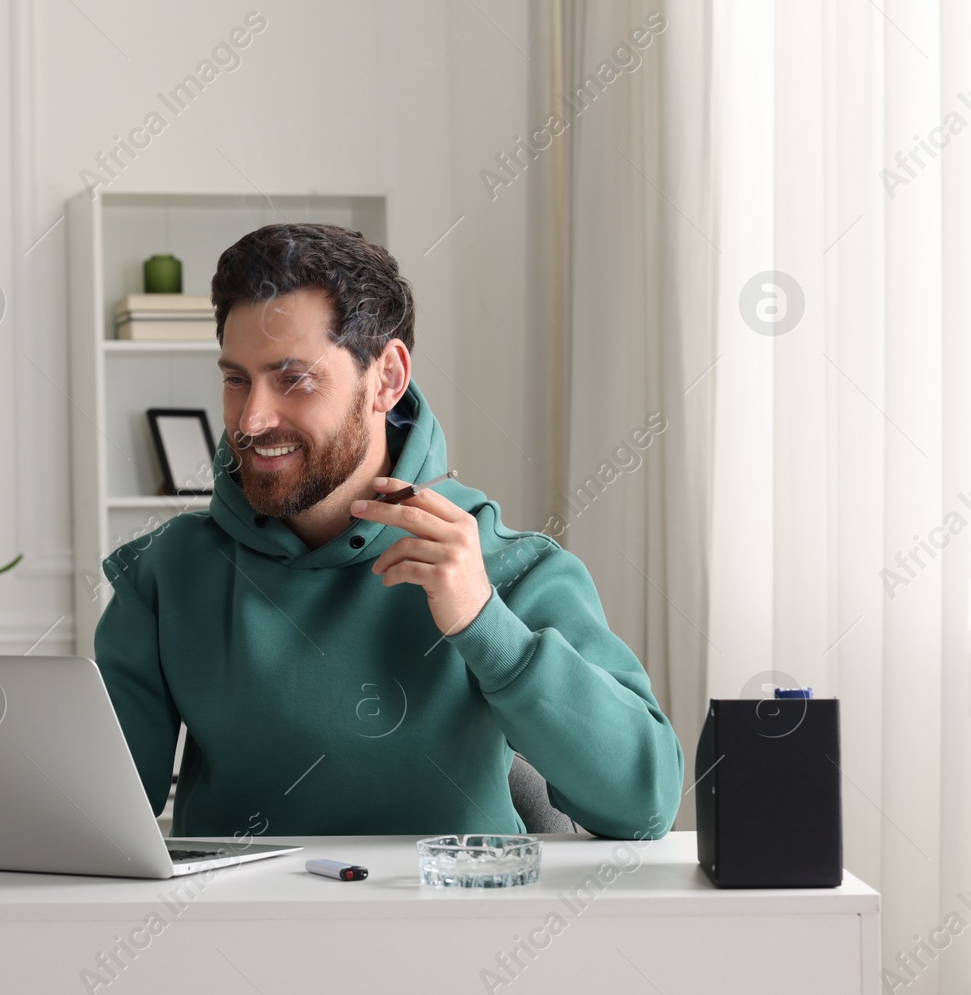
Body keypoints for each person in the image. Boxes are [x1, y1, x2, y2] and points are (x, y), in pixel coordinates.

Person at [95, 222, 683, 839]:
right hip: (235, 931)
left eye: (294, 379)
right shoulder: (164, 576)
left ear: (387, 379)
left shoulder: (505, 566)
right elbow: (94, 817)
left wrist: (485, 623)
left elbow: (645, 805)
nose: (252, 418)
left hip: (455, 926)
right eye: (237, 379)